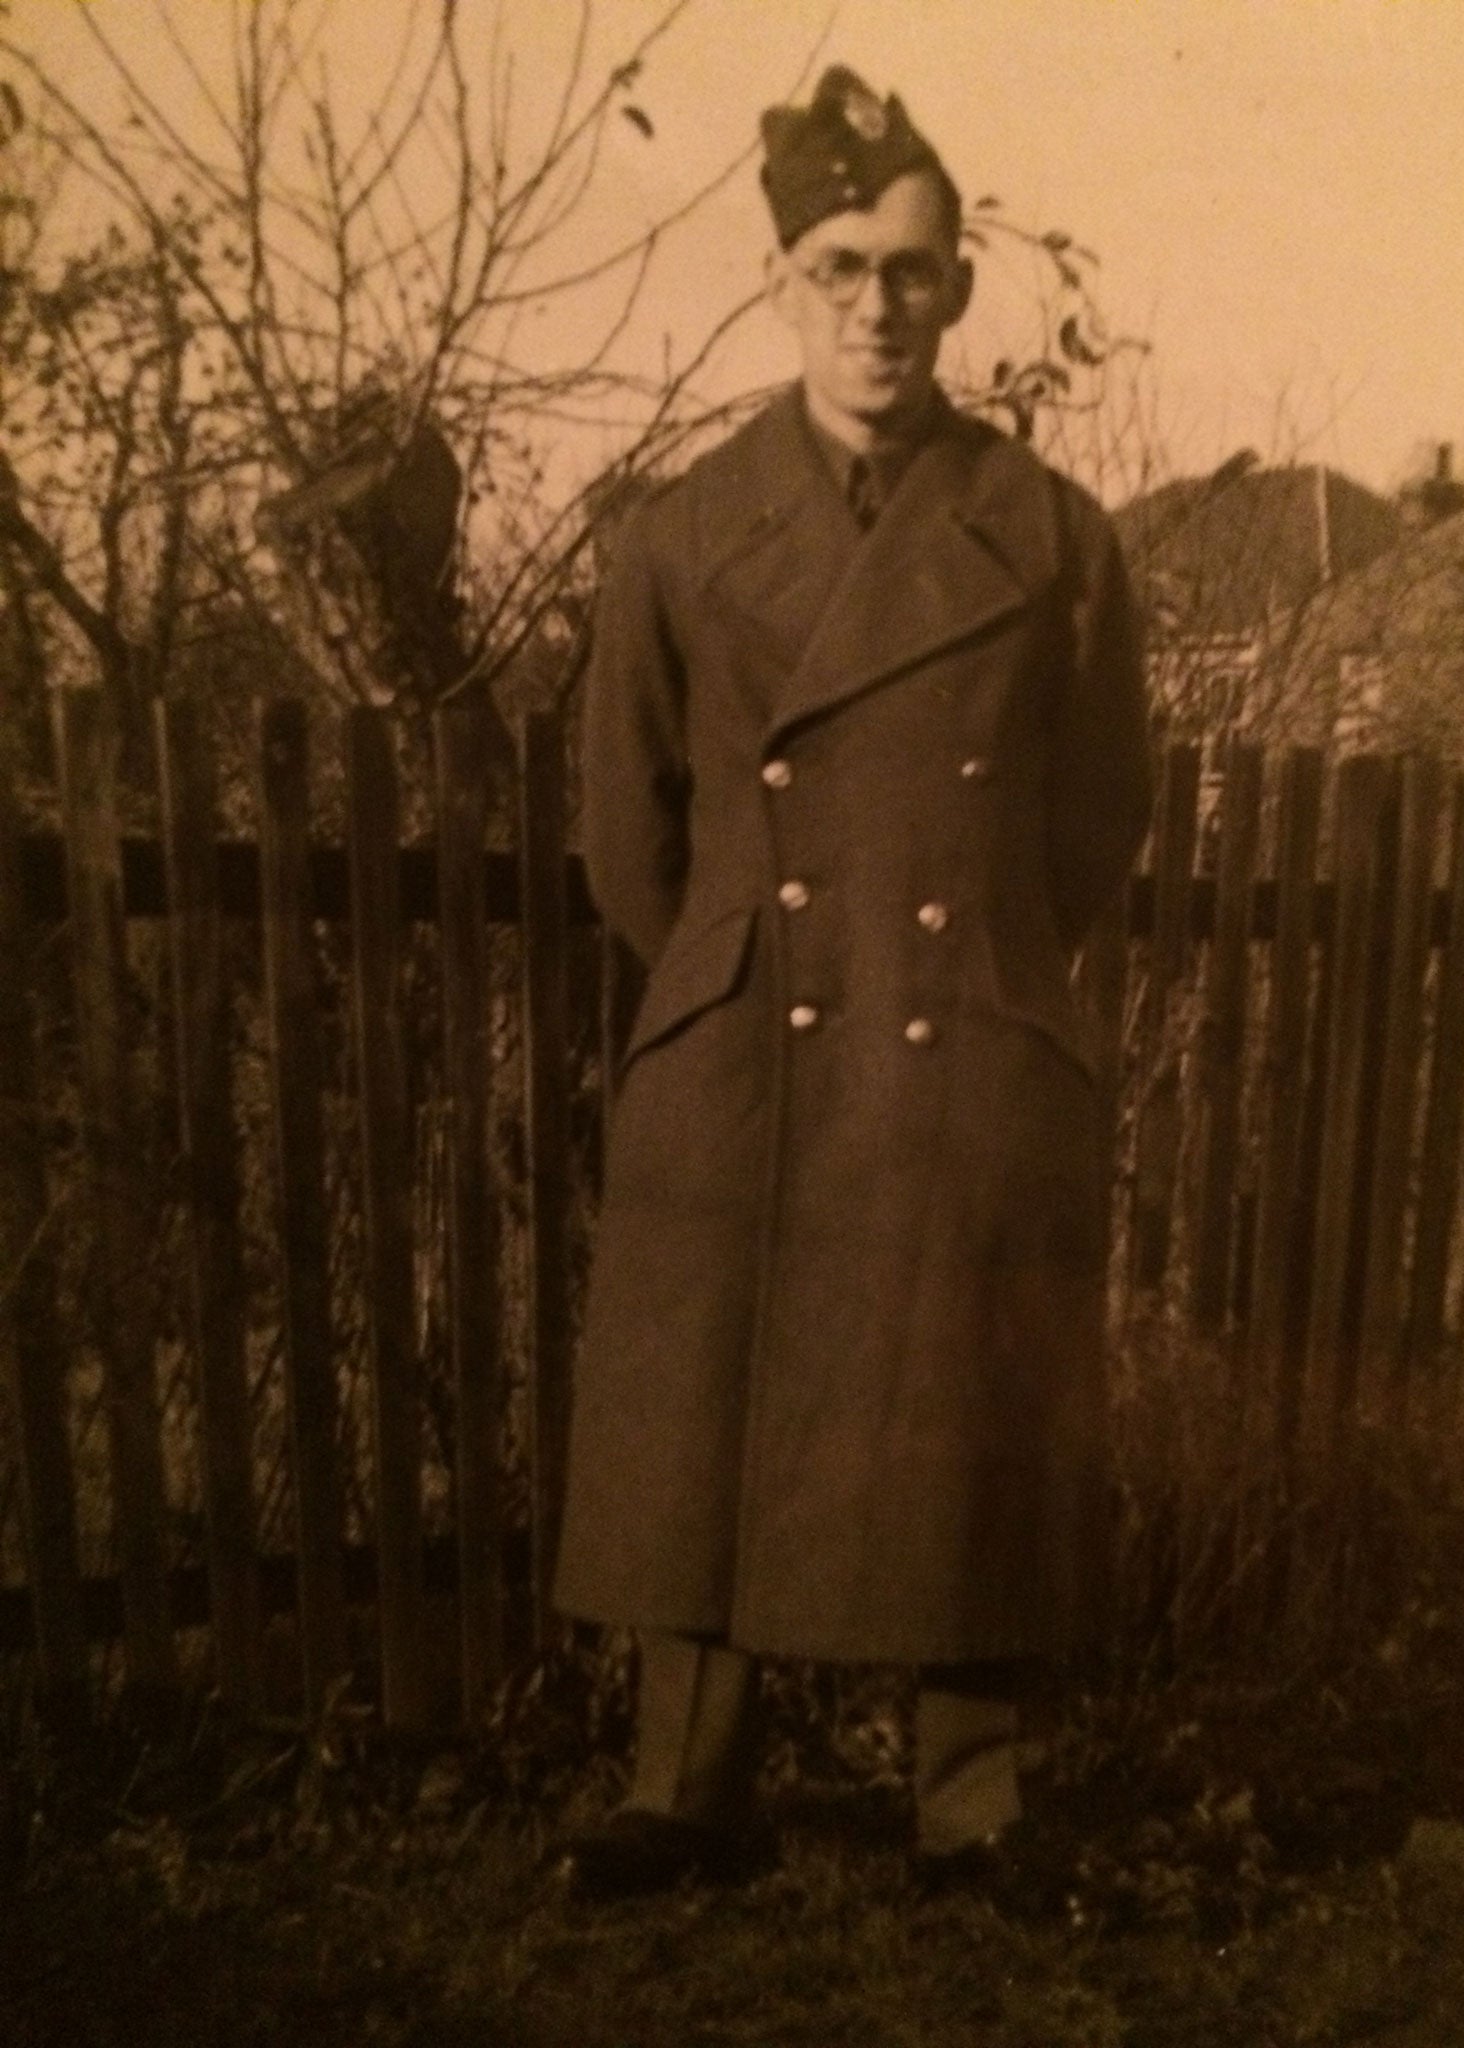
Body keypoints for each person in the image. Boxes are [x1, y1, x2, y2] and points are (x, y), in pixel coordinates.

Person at [552, 65, 1153, 1899]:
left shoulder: (1051, 538)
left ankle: (972, 1805)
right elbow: (624, 833)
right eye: (835, 267)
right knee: (707, 1401)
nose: (873, 308)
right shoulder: (675, 532)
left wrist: (970, 954)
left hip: (963, 1021)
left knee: (964, 1393)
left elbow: (1094, 821)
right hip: (754, 1034)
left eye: (911, 270)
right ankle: (688, 1795)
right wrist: (741, 970)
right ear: (779, 281)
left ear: (959, 289)